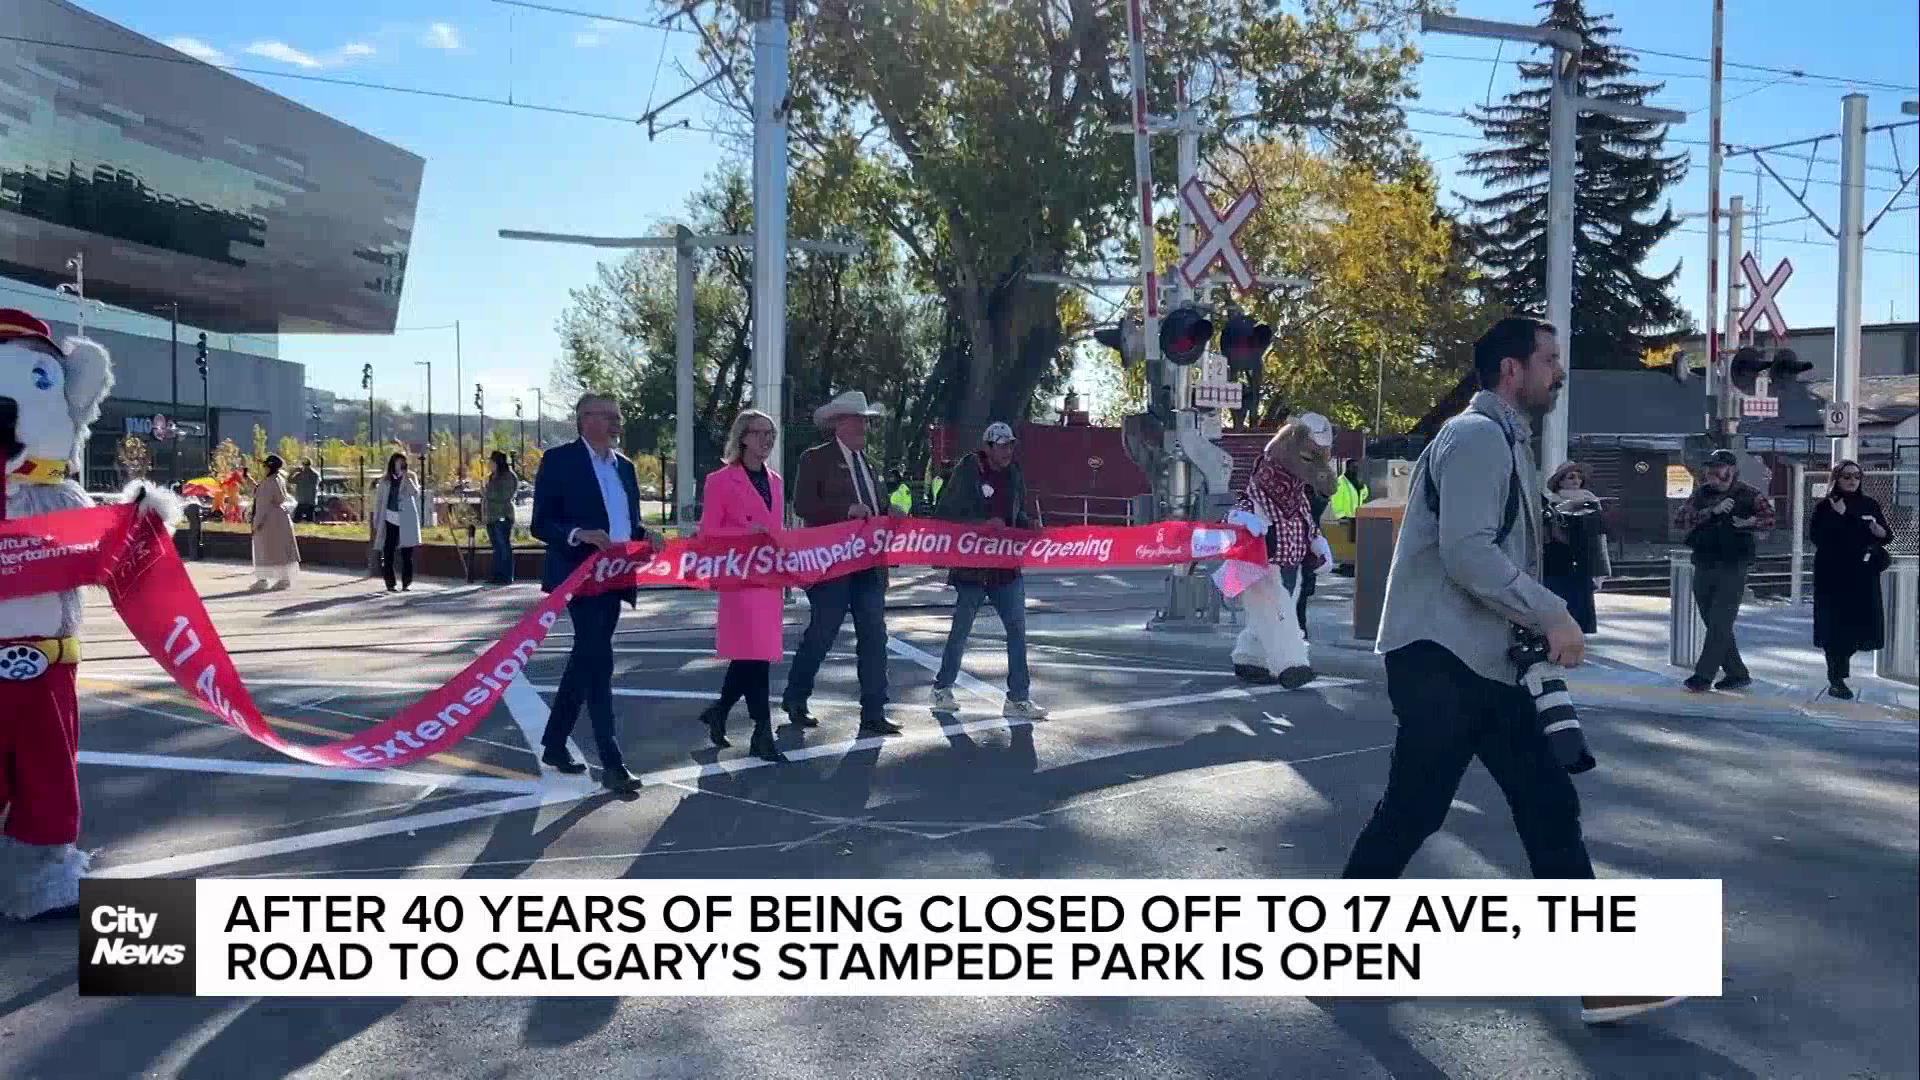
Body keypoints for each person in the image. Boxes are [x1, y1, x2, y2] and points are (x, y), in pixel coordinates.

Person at [1340, 315, 1680, 1026]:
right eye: (1551, 359)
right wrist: (1551, 611)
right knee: (1419, 809)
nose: (1559, 372)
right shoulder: (1475, 438)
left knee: (1544, 802)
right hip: (1441, 658)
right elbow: (1466, 552)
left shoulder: (1505, 442)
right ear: (1510, 370)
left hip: (1480, 659)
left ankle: (1602, 977)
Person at [531, 393, 649, 793]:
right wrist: (579, 535)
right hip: (580, 577)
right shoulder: (560, 461)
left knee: (587, 657)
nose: (618, 423)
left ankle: (553, 741)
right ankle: (611, 761)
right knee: (598, 660)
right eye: (610, 416)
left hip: (615, 578)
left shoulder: (626, 468)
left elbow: (631, 524)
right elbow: (541, 523)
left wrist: (648, 539)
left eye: (619, 416)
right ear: (586, 419)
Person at [782, 390, 897, 736]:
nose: (864, 426)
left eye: (866, 420)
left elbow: (878, 507)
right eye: (858, 419)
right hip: (832, 565)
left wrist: (891, 513)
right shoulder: (815, 459)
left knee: (875, 636)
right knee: (822, 632)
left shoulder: (870, 463)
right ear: (839, 423)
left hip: (869, 565)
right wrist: (845, 512)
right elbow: (803, 505)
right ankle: (796, 696)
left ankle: (874, 711)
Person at [929, 422, 1050, 720]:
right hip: (973, 568)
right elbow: (946, 514)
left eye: (1010, 445)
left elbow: (1015, 513)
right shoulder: (968, 470)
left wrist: (1027, 525)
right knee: (961, 630)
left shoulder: (1014, 473)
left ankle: (1018, 698)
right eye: (1002, 445)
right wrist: (982, 526)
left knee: (1017, 630)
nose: (1008, 450)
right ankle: (942, 687)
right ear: (988, 446)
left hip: (1005, 567)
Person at [696, 409, 788, 762]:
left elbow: (776, 532)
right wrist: (743, 534)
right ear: (743, 437)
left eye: (771, 434)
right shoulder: (720, 480)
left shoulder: (776, 481)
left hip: (767, 579)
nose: (767, 440)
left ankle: (719, 712)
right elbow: (707, 533)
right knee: (756, 658)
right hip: (739, 578)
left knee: (752, 657)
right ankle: (762, 733)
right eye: (761, 433)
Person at [1227, 417, 1335, 688]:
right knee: (1279, 613)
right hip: (1260, 564)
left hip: (1291, 563)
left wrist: (1318, 544)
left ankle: (1250, 658)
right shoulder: (1259, 490)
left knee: (1267, 614)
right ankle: (1292, 664)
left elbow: (1305, 521)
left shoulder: (1296, 495)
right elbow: (1237, 513)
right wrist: (1246, 523)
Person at [1675, 449, 1775, 693]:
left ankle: (1703, 676)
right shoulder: (1701, 495)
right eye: (1710, 468)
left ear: (1731, 471)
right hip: (1704, 562)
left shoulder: (1749, 494)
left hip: (1734, 564)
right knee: (1712, 621)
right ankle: (1737, 673)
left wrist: (1749, 522)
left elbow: (1770, 519)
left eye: (1718, 468)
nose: (1712, 473)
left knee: (1720, 621)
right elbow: (1680, 520)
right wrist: (1712, 511)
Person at [1810, 460, 1892, 700]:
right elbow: (1821, 538)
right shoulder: (1826, 507)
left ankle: (1840, 669)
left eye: (1856, 476)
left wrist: (1880, 532)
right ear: (1837, 478)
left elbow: (1884, 535)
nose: (1852, 480)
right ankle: (1836, 678)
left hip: (1863, 575)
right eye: (1846, 476)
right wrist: (1847, 519)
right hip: (1833, 577)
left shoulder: (1869, 504)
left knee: (1862, 628)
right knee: (1834, 630)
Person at [1540, 461, 1612, 634]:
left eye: (1579, 477)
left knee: (1580, 606)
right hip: (1556, 561)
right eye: (1571, 477)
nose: (1576, 480)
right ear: (1560, 481)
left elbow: (1599, 534)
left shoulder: (1590, 501)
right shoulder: (1550, 503)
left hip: (1582, 561)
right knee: (1558, 604)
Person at [369, 453, 421, 593]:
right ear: (393, 463)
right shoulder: (385, 480)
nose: (401, 465)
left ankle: (406, 583)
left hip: (406, 519)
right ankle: (390, 583)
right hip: (389, 518)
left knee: (407, 553)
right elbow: (379, 501)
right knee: (388, 551)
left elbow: (415, 494)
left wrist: (406, 477)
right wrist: (376, 519)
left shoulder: (411, 476)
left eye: (403, 463)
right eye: (399, 462)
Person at [248, 454, 300, 591]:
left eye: (265, 466)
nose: (263, 468)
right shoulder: (278, 479)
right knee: (280, 549)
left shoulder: (268, 483)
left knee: (264, 550)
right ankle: (284, 578)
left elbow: (262, 506)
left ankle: (263, 580)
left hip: (268, 521)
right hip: (280, 519)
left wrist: (256, 524)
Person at [484, 450, 519, 585]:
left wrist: (487, 493)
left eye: (491, 461)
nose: (489, 464)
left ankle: (506, 576)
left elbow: (504, 495)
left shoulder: (508, 476)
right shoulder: (492, 476)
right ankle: (497, 575)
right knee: (497, 547)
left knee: (503, 546)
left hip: (503, 516)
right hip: (492, 516)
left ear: (497, 462)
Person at [289, 458, 320, 523]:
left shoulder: (301, 475)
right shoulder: (315, 474)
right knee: (308, 520)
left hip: (304, 502)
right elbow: (290, 481)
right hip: (309, 501)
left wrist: (293, 472)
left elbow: (290, 480)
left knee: (297, 520)